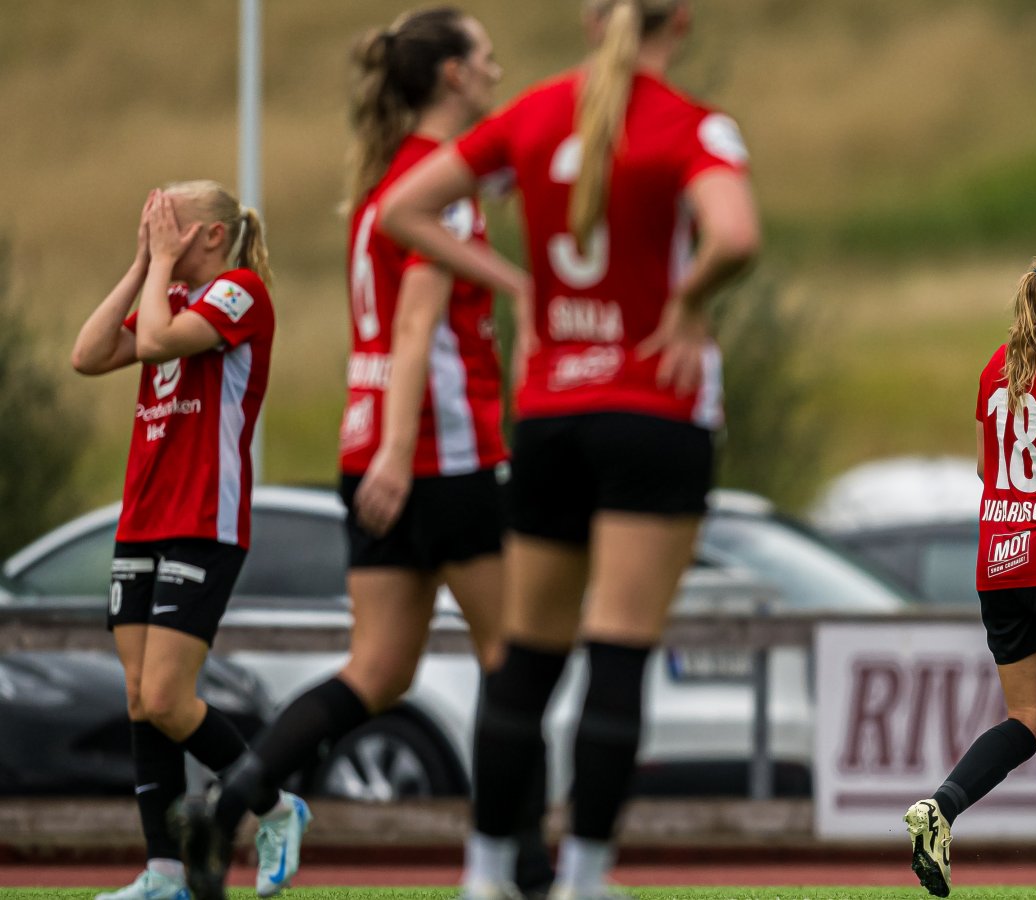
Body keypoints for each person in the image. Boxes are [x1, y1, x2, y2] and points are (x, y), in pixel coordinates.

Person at [379, 1, 759, 897]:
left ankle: (483, 878)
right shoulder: (692, 125)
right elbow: (735, 235)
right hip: (652, 412)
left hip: (550, 413)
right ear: (683, 20)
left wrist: (522, 284)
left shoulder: (533, 113)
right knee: (618, 651)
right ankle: (584, 878)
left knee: (526, 659)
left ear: (592, 21)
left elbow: (402, 209)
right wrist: (691, 299)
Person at [168, 9, 529, 900]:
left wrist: (384, 453)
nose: (495, 67)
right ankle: (525, 862)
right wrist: (406, 455)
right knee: (515, 659)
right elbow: (415, 329)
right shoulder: (438, 185)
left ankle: (237, 794)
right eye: (482, 55)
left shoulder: (381, 188)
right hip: (436, 448)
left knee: (379, 668)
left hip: (369, 441)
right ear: (449, 75)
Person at [70, 182, 290, 900]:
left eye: (174, 224)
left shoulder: (240, 292)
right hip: (143, 517)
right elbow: (89, 353)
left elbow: (161, 340)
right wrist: (142, 264)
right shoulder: (169, 297)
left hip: (203, 520)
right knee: (139, 700)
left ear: (212, 238)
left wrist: (161, 265)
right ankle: (163, 870)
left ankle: (276, 807)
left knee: (169, 695)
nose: (161, 228)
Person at [905, 246, 1036, 900]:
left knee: (1029, 716)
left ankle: (940, 808)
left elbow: (982, 469)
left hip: (1000, 563)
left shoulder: (999, 367)